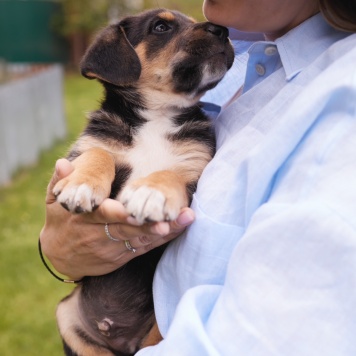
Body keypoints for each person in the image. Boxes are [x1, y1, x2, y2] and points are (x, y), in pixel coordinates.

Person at [40, 0, 356, 354]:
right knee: (68, 315)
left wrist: (168, 182)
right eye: (163, 29)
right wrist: (59, 250)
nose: (206, 33)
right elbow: (70, 215)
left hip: (156, 331)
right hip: (87, 323)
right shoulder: (239, 67)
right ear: (119, 62)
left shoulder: (342, 100)